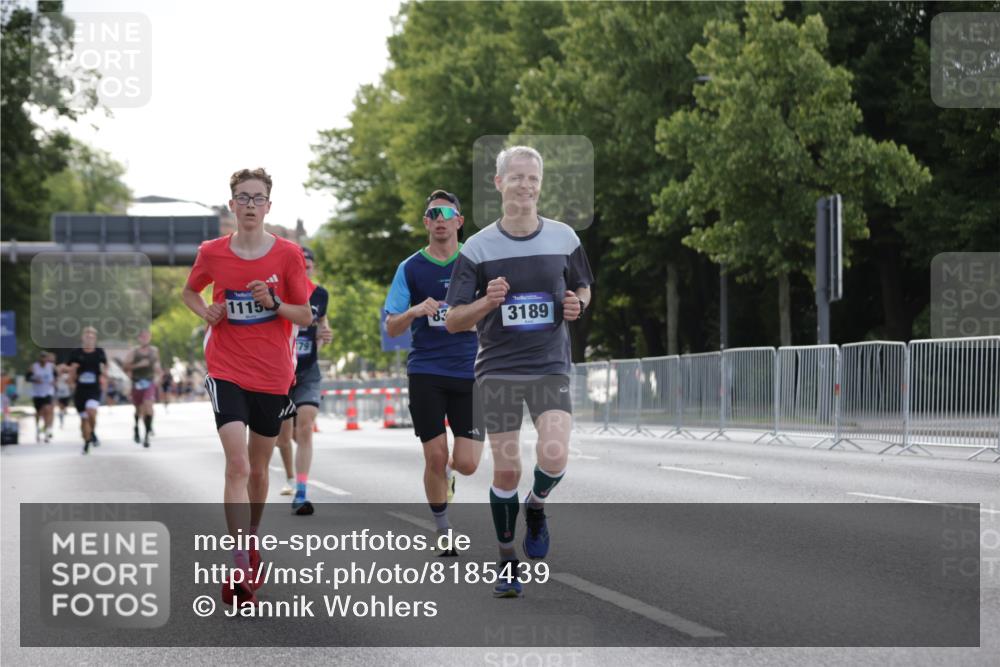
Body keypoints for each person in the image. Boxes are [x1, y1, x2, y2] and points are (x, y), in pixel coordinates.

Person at [445, 146, 593, 597]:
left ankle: (537, 503)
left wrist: (577, 304)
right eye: (517, 177)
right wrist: (486, 302)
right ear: (499, 183)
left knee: (553, 455)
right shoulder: (478, 246)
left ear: (540, 185)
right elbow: (454, 319)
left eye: (533, 178)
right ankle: (507, 560)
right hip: (499, 368)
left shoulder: (565, 237)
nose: (525, 186)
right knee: (506, 469)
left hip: (549, 364)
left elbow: (583, 286)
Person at [182, 167, 312, 608]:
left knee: (258, 470)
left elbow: (306, 315)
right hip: (226, 368)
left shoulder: (289, 256)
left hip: (273, 374)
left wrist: (273, 303)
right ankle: (239, 559)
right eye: (243, 197)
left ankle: (251, 540)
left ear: (269, 206)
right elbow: (190, 292)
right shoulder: (212, 252)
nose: (251, 205)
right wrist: (206, 312)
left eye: (258, 198)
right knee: (236, 465)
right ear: (232, 204)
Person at [384, 189, 483, 554]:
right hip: (426, 370)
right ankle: (443, 530)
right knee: (435, 457)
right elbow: (392, 327)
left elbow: (497, 308)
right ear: (426, 223)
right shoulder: (410, 268)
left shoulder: (476, 263)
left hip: (471, 371)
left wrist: (476, 318)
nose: (439, 219)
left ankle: (449, 481)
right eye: (432, 214)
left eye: (446, 213)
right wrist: (414, 311)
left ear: (459, 221)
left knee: (468, 464)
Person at [274, 246, 332, 515]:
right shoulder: (280, 292)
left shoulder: (320, 294)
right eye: (301, 262)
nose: (306, 265)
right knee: (283, 437)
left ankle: (301, 490)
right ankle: (288, 476)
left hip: (308, 371)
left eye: (309, 262)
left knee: (305, 428)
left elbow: (321, 321)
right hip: (280, 372)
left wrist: (324, 332)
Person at [67, 327, 109, 454]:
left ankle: (92, 432)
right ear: (82, 338)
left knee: (91, 412)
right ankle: (86, 442)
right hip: (80, 389)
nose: (89, 338)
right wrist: (71, 382)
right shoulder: (76, 352)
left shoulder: (99, 352)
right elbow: (70, 370)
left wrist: (104, 378)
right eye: (87, 336)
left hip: (94, 388)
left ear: (95, 339)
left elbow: (105, 368)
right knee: (84, 419)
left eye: (92, 337)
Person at [123, 329, 162, 448]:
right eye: (143, 337)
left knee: (148, 406)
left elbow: (157, 366)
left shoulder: (154, 351)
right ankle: (136, 427)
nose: (145, 338)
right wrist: (138, 365)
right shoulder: (134, 351)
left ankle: (146, 435)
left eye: (147, 336)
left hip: (149, 382)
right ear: (139, 338)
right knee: (139, 410)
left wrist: (158, 376)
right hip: (137, 383)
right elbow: (125, 367)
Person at [28, 351, 56, 442]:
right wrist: (34, 380)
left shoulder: (51, 366)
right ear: (39, 358)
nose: (43, 359)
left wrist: (54, 381)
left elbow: (56, 376)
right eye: (42, 357)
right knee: (39, 412)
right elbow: (27, 377)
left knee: (48, 410)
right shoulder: (34, 366)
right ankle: (37, 428)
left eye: (45, 357)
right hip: (37, 393)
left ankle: (47, 431)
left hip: (48, 392)